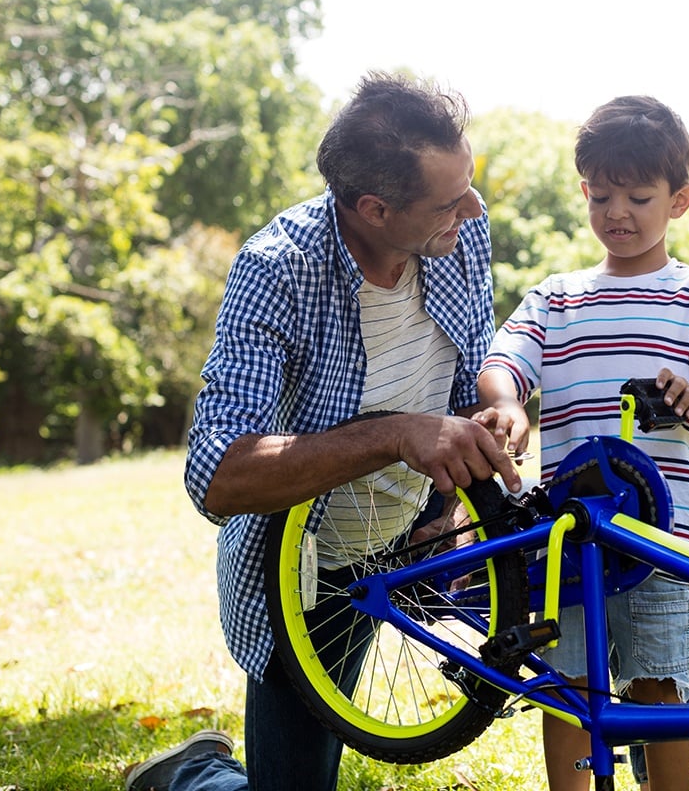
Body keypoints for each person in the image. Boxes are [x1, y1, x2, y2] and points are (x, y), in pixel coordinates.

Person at [124, 71, 520, 791]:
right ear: (373, 208)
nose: (471, 207)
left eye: (468, 186)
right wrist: (396, 434)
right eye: (446, 201)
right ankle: (192, 776)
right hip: (308, 571)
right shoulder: (277, 270)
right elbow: (217, 474)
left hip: (410, 539)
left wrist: (468, 461)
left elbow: (464, 372)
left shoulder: (460, 226)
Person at [474, 95, 689, 791]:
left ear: (679, 200)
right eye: (601, 196)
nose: (617, 213)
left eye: (638, 196)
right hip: (570, 539)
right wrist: (506, 402)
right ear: (583, 192)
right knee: (567, 680)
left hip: (666, 537)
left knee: (659, 679)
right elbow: (505, 360)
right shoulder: (557, 298)